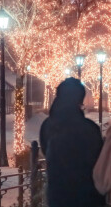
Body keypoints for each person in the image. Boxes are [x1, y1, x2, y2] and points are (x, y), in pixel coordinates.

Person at [40, 77, 105, 207]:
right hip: (88, 196)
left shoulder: (48, 126)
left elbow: (45, 152)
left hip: (57, 195)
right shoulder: (90, 129)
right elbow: (98, 162)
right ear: (79, 100)